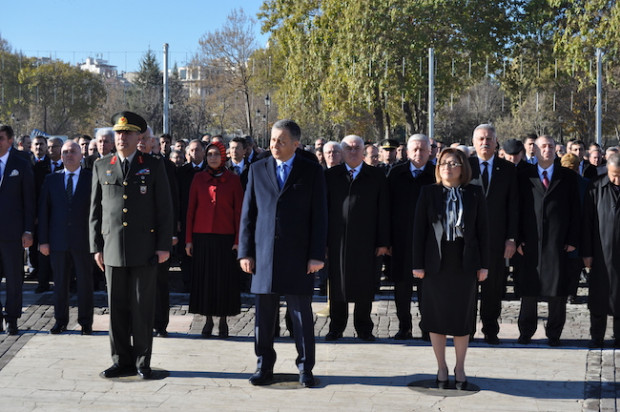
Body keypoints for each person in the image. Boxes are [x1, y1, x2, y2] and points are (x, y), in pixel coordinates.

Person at [238, 119, 327, 388]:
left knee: (301, 316)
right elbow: (248, 215)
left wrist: (316, 255)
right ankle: (263, 366)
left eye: (282, 141)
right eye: (273, 140)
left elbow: (320, 217)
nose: (274, 145)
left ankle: (305, 368)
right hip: (263, 256)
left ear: (296, 145)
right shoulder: (257, 169)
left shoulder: (311, 172)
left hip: (298, 257)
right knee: (263, 317)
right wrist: (245, 252)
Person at [90, 111, 173, 379]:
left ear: (139, 136)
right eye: (118, 133)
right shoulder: (102, 165)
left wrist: (163, 246)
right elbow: (95, 211)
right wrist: (96, 246)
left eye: (127, 133)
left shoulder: (152, 164)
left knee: (142, 308)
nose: (122, 138)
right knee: (117, 309)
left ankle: (141, 361)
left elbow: (164, 209)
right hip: (112, 249)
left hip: (144, 249)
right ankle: (120, 360)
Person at [412, 147, 489, 390]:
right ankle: (441, 366)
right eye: (444, 163)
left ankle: (460, 366)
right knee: (436, 316)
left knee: (461, 317)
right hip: (436, 263)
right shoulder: (428, 192)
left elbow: (484, 232)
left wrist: (484, 264)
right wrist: (417, 265)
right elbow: (418, 231)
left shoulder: (475, 193)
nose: (448, 167)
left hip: (464, 263)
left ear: (462, 168)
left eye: (454, 163)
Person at [516, 135, 580, 347]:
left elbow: (575, 210)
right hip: (530, 243)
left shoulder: (567, 177)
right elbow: (516, 210)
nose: (547, 150)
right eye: (543, 146)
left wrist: (572, 239)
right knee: (529, 290)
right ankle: (526, 331)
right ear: (534, 149)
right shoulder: (524, 176)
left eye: (551, 146)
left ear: (556, 150)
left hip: (557, 241)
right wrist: (517, 239)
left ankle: (554, 333)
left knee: (557, 292)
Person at [325, 135, 389, 342]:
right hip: (337, 241)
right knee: (337, 286)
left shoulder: (376, 176)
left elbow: (384, 210)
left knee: (365, 285)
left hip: (367, 240)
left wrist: (382, 241)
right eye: (348, 148)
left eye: (356, 148)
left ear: (364, 151)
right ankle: (336, 327)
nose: (353, 152)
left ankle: (364, 328)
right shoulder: (330, 176)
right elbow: (322, 210)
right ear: (342, 152)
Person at [185, 141, 243, 338]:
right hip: (202, 237)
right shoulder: (198, 178)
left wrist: (238, 240)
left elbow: (239, 213)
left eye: (216, 154)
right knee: (206, 280)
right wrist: (189, 240)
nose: (212, 158)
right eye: (209, 154)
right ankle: (208, 319)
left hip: (226, 238)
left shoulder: (234, 180)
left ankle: (224, 320)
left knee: (224, 280)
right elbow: (191, 210)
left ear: (223, 156)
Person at [468, 124, 518, 345]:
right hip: (468, 241)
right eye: (480, 139)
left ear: (496, 142)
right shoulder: (464, 167)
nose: (485, 142)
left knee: (494, 287)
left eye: (489, 139)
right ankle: (466, 329)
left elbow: (513, 207)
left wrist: (511, 238)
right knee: (468, 288)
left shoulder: (507, 169)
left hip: (497, 241)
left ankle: (490, 329)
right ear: (473, 142)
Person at [38, 141, 93, 335]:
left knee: (85, 283)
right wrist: (43, 240)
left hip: (84, 241)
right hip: (58, 241)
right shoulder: (51, 180)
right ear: (61, 156)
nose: (69, 155)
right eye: (65, 152)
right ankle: (60, 320)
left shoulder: (90, 178)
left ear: (81, 156)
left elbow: (97, 213)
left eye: (73, 152)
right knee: (60, 283)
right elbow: (44, 212)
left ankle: (86, 322)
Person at [387, 134, 435, 340]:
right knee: (402, 287)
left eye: (423, 149)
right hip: (400, 241)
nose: (418, 153)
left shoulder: (436, 174)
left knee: (428, 288)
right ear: (406, 152)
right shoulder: (396, 173)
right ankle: (404, 326)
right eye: (414, 149)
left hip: (428, 242)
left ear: (430, 151)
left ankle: (428, 327)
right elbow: (385, 208)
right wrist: (386, 240)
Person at [582, 153, 620, 348]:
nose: (617, 180)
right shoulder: (596, 187)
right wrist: (586, 253)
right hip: (600, 253)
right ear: (608, 171)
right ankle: (597, 336)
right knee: (598, 298)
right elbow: (587, 222)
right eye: (614, 175)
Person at [0, 124, 35, 335]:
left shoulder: (21, 164)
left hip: (13, 234)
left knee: (14, 278)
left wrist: (28, 230)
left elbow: (29, 201)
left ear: (10, 140)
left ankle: (12, 318)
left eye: (1, 138)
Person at [177, 139, 206, 292]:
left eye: (198, 150)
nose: (195, 153)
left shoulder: (210, 170)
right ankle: (188, 284)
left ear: (203, 151)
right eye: (192, 150)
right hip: (185, 217)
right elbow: (177, 196)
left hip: (205, 218)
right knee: (186, 252)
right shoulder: (182, 171)